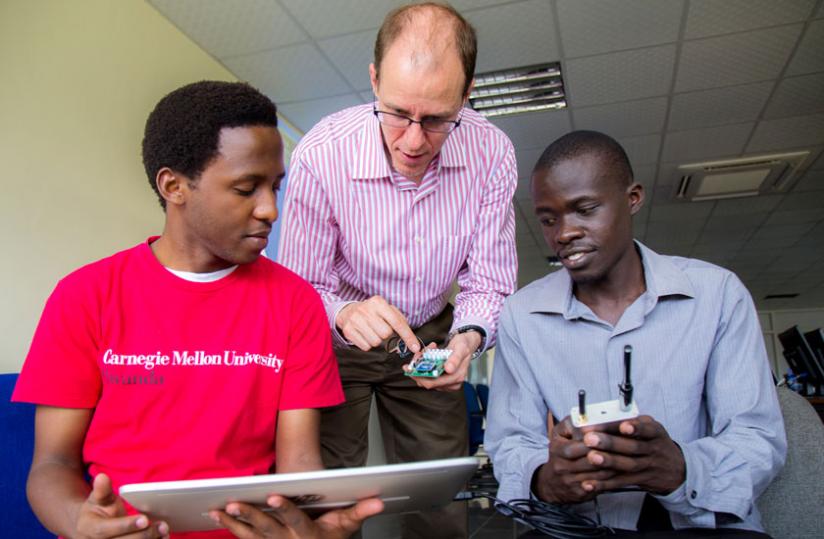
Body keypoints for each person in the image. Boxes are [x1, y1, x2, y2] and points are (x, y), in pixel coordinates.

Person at [12, 81, 382, 539]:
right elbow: (51, 465)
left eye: (275, 187)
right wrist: (78, 523)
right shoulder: (85, 296)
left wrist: (308, 529)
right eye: (246, 188)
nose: (271, 209)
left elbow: (299, 467)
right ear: (174, 187)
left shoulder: (296, 303)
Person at [278, 3, 517, 538]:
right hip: (337, 338)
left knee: (438, 497)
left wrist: (469, 340)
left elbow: (490, 282)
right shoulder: (322, 153)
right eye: (397, 113)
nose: (413, 141)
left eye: (435, 120)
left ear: (467, 93)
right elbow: (296, 290)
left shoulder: (493, 154)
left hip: (433, 336)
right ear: (373, 80)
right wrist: (343, 313)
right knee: (326, 496)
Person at [485, 130, 786, 534]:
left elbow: (756, 438)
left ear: (633, 198)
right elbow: (511, 443)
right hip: (582, 527)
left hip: (699, 523)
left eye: (585, 209)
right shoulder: (522, 314)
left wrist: (681, 470)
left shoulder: (717, 294)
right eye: (548, 219)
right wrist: (544, 479)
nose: (564, 232)